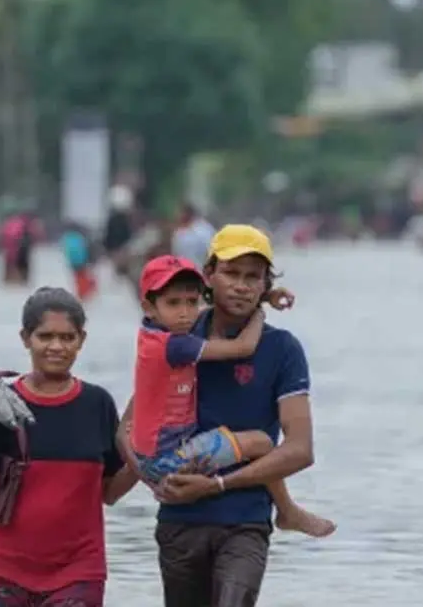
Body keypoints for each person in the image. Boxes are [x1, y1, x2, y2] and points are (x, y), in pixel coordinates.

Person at [121, 224, 329, 607]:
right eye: (232, 274)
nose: (241, 286)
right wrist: (153, 480)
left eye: (254, 277)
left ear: (265, 282)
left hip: (244, 520)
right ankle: (288, 510)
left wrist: (218, 486)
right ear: (209, 276)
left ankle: (286, 511)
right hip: (180, 517)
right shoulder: (180, 337)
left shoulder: (282, 349)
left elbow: (301, 450)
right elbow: (129, 428)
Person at [0, 287, 138, 607]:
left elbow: (109, 493)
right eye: (45, 337)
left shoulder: (97, 403)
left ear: (81, 340)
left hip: (78, 571)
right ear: (25, 338)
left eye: (67, 338)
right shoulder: (2, 404)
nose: (56, 347)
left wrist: (142, 460)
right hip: (4, 570)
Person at [60, 222, 98, 301]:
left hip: (73, 261)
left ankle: (82, 292)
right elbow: (85, 248)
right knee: (83, 275)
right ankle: (86, 290)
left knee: (78, 277)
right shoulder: (80, 237)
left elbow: (65, 250)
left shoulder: (66, 238)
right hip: (81, 260)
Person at [171, 202, 214, 268]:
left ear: (187, 213)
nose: (177, 215)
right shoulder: (178, 233)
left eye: (180, 212)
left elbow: (211, 250)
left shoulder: (203, 230)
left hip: (201, 271)